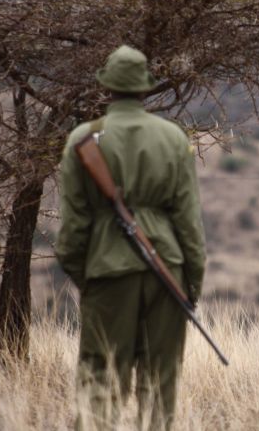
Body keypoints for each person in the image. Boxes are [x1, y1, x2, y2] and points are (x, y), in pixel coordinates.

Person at [56, 45, 206, 430]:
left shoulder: (82, 139)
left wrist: (84, 275)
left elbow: (72, 229)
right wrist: (191, 282)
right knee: (160, 383)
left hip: (106, 271)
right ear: (144, 90)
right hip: (167, 271)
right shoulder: (173, 138)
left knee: (100, 377)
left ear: (107, 88)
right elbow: (189, 224)